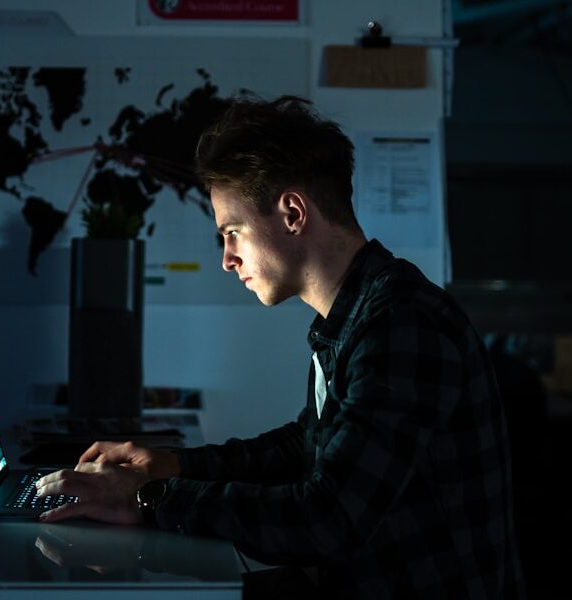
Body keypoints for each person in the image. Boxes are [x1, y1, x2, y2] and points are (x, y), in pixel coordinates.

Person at [36, 96, 525, 598]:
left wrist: (149, 498)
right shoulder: (354, 316)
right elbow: (305, 446)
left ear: (293, 212)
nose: (227, 259)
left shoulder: (402, 325)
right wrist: (174, 466)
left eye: (232, 232)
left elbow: (329, 519)